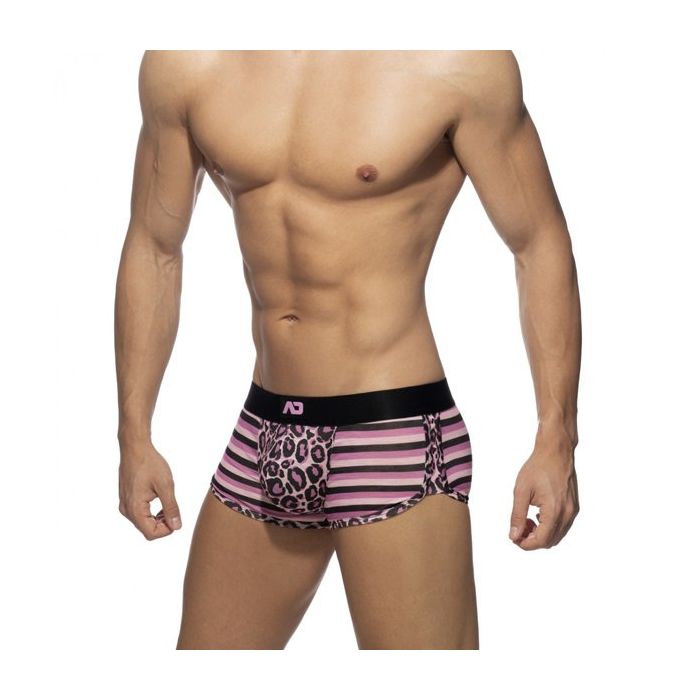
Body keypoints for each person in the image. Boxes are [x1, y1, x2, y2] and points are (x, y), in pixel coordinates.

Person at [115, 50, 581, 650]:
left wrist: (556, 438)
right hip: (264, 433)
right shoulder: (187, 62)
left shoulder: (456, 62)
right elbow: (154, 246)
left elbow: (539, 241)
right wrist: (134, 435)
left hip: (393, 434)